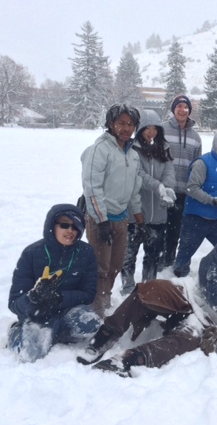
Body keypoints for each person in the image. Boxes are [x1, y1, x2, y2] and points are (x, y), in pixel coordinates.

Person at [76, 226, 217, 376]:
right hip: (189, 294)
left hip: (207, 318)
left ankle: (132, 358)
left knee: (186, 339)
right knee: (148, 289)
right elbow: (210, 280)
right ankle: (106, 334)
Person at [7, 204, 100, 362]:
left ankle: (56, 333)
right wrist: (33, 297)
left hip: (65, 312)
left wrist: (59, 298)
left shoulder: (86, 253)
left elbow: (88, 294)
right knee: (31, 356)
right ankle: (16, 332)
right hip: (37, 315)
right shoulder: (31, 253)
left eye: (75, 226)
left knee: (91, 323)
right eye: (64, 225)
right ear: (52, 225)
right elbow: (14, 303)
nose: (70, 231)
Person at [81, 104, 144, 316]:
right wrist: (101, 220)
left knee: (115, 265)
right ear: (111, 124)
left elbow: (134, 189)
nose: (126, 128)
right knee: (100, 268)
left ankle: (104, 301)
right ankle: (95, 311)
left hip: (121, 219)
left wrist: (138, 218)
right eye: (121, 123)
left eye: (130, 124)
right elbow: (92, 186)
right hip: (101, 219)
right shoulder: (100, 149)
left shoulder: (133, 155)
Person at [120, 110, 177, 295]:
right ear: (141, 129)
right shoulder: (133, 149)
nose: (151, 132)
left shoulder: (165, 148)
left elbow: (169, 171)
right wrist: (157, 187)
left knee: (152, 255)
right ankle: (127, 288)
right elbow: (138, 175)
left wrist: (167, 188)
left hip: (158, 214)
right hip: (136, 214)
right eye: (147, 128)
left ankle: (148, 286)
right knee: (129, 254)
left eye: (155, 128)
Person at [172, 127, 217, 278]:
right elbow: (192, 188)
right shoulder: (203, 163)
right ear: (216, 143)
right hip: (195, 219)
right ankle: (179, 286)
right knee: (182, 260)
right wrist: (213, 201)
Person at [162, 95, 202, 271]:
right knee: (160, 227)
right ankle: (156, 260)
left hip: (184, 192)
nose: (182, 110)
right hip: (164, 189)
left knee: (175, 229)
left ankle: (170, 260)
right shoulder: (162, 130)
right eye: (179, 106)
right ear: (173, 109)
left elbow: (198, 165)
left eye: (186, 107)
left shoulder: (195, 137)